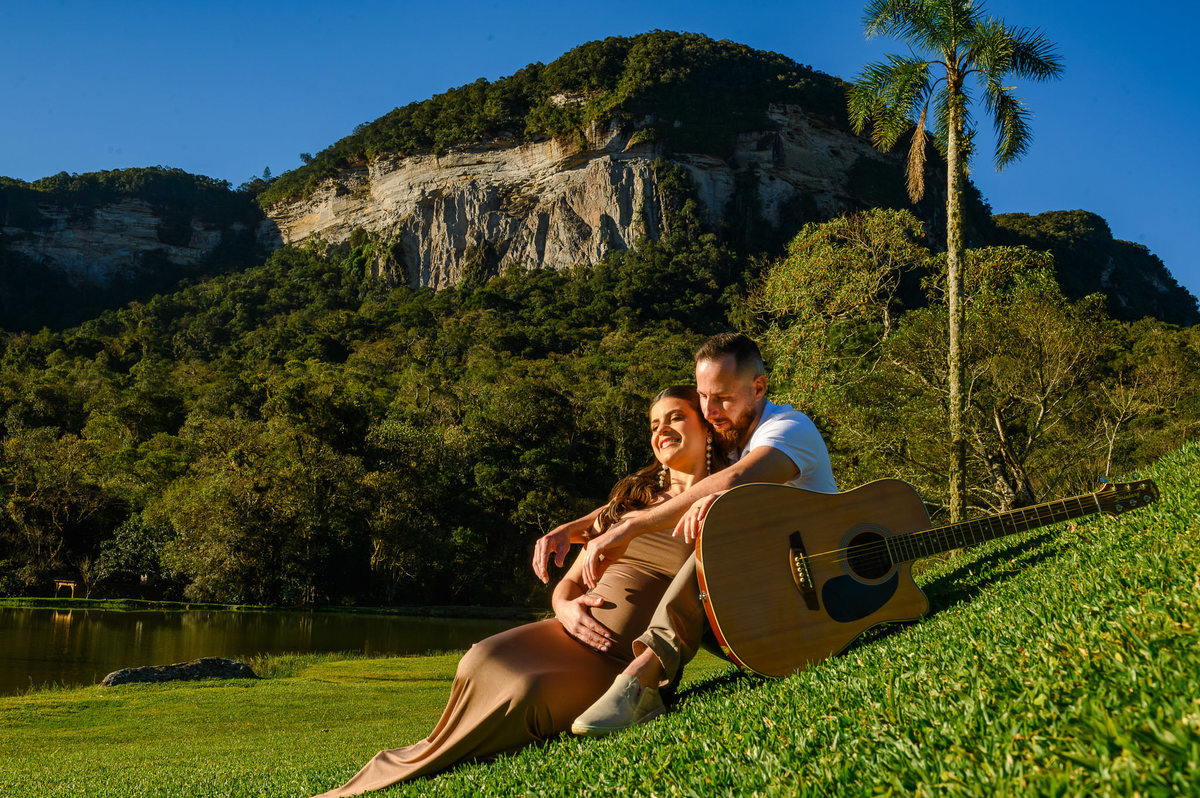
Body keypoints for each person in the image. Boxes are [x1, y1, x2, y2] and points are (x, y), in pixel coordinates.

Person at [313, 386, 728, 797]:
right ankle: (415, 759)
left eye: (676, 417)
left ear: (707, 428)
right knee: (480, 659)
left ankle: (415, 769)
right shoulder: (632, 502)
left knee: (528, 696)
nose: (661, 430)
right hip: (568, 630)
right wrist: (565, 607)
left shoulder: (721, 501)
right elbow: (572, 580)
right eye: (654, 424)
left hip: (623, 659)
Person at [544, 332, 837, 736]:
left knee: (721, 524)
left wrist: (631, 527)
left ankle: (644, 681)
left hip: (818, 595)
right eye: (702, 396)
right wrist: (582, 525)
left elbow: (735, 480)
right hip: (751, 608)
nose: (710, 411)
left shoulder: (788, 428)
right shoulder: (729, 440)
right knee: (716, 511)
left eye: (723, 398)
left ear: (758, 388)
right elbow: (671, 490)